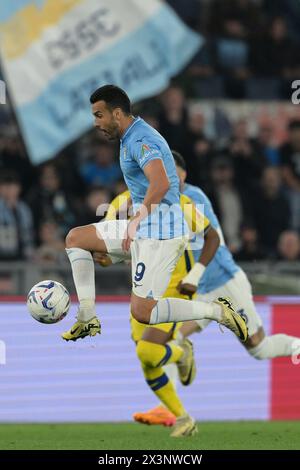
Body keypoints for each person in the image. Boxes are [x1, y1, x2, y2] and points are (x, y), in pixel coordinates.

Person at [62, 85, 247, 347]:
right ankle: (87, 316)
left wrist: (135, 221)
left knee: (142, 312)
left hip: (163, 233)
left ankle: (217, 311)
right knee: (76, 238)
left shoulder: (140, 140)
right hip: (146, 226)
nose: (95, 123)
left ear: (116, 114)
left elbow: (160, 183)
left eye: (98, 115)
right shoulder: (130, 136)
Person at [134, 152, 300, 426]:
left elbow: (211, 241)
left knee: (259, 348)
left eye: (172, 173)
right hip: (197, 293)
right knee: (169, 338)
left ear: (183, 175)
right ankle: (166, 408)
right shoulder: (158, 205)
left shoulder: (195, 199)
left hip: (224, 282)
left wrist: (192, 273)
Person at [93, 153, 221, 437]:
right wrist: (106, 258)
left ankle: (180, 351)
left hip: (174, 292)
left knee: (147, 351)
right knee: (148, 362)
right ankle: (184, 418)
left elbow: (213, 237)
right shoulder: (120, 204)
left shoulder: (183, 205)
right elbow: (113, 246)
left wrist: (195, 275)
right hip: (141, 292)